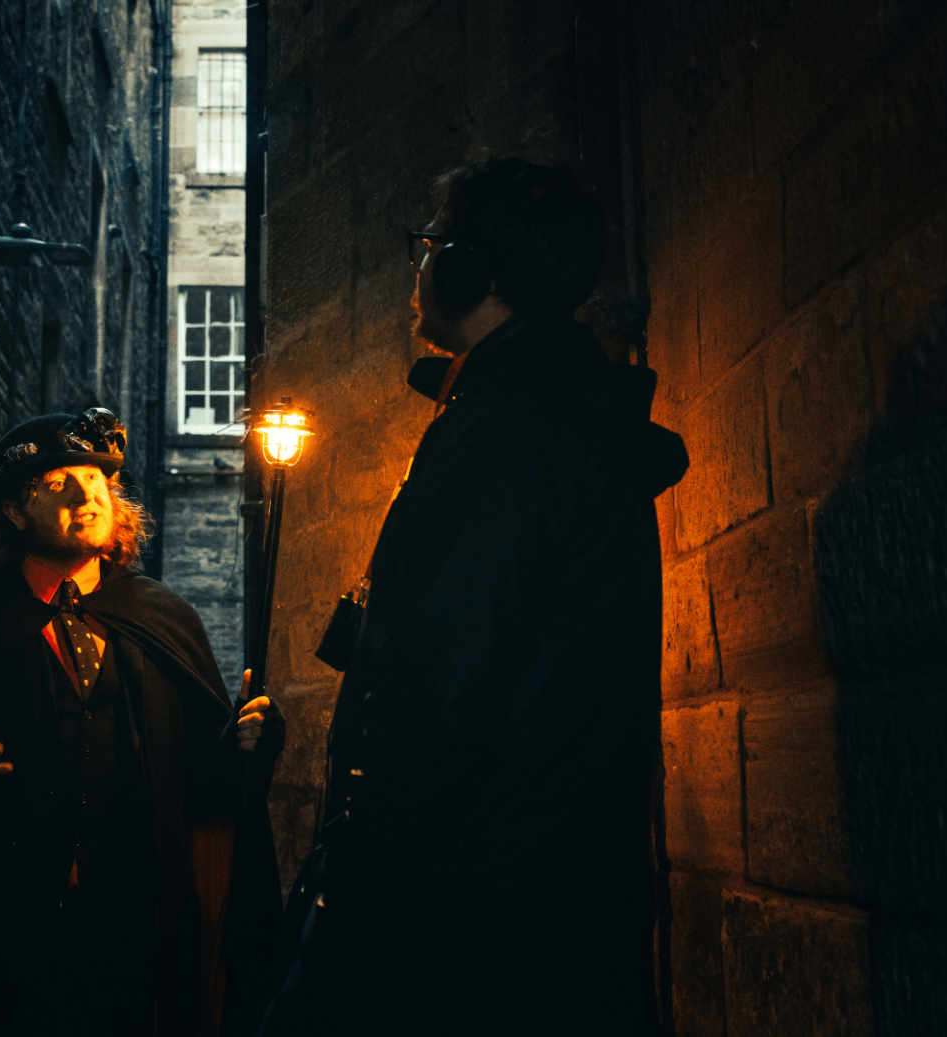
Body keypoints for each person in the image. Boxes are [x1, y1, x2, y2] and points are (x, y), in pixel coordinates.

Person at [257, 160, 689, 1036]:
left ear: (475, 271)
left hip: (465, 931)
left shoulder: (503, 434)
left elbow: (440, 689)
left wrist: (346, 882)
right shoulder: (538, 420)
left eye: (430, 247)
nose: (416, 269)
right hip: (538, 920)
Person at [0, 408, 287, 1037]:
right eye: (59, 484)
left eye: (98, 481)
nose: (87, 495)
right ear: (14, 514)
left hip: (130, 934)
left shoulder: (163, 619)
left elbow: (194, 797)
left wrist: (246, 751)